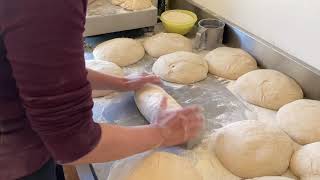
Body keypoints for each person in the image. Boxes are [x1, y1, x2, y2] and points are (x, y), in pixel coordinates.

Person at [0, 0, 204, 179]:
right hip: (13, 162)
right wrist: (160, 133)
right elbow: (73, 142)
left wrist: (120, 83)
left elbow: (44, 68)